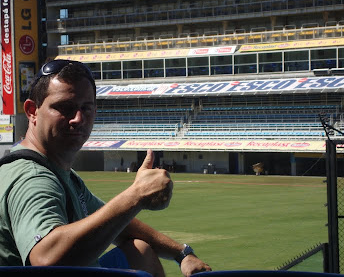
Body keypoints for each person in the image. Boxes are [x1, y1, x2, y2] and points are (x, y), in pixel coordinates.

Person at [0, 60, 212, 276]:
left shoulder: (60, 173)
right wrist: (136, 195)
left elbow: (120, 224)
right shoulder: (32, 177)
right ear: (32, 111)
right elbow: (46, 259)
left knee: (139, 251)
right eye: (64, 107)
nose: (78, 119)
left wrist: (181, 253)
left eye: (86, 108)